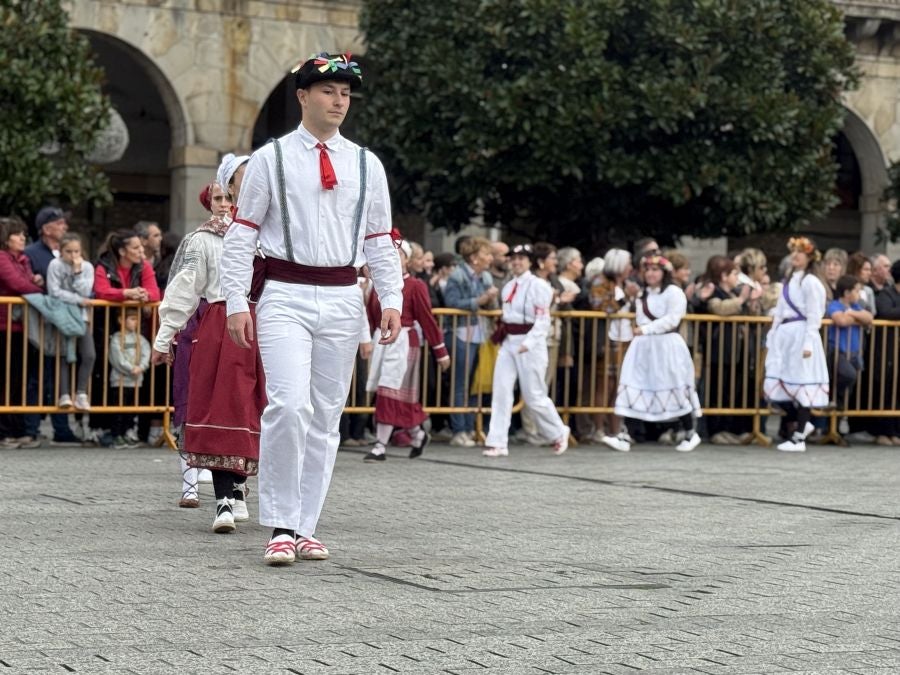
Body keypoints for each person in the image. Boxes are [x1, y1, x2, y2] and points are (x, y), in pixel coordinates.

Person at [220, 52, 403, 565]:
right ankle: (279, 524)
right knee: (288, 406)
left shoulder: (367, 164)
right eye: (328, 91)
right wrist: (237, 301)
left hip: (345, 296)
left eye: (345, 93)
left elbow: (380, 238)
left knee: (325, 415)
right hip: (285, 293)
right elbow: (242, 233)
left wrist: (390, 297)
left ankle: (305, 525)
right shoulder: (271, 159)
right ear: (303, 97)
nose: (339, 100)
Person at [152, 162, 265, 529]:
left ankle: (240, 487)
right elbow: (185, 287)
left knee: (253, 408)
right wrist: (165, 334)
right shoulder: (202, 239)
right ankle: (223, 501)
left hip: (264, 324)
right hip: (221, 325)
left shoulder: (268, 233)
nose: (226, 203)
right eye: (220, 196)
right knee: (221, 408)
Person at [604, 254, 701, 453]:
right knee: (634, 385)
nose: (650, 273)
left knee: (673, 385)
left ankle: (691, 432)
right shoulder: (643, 294)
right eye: (647, 270)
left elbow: (673, 319)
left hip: (667, 345)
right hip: (643, 347)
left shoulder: (674, 292)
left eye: (655, 270)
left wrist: (646, 329)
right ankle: (625, 434)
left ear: (664, 273)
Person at [364, 240, 450, 461]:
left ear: (407, 260)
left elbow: (427, 320)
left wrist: (440, 350)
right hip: (382, 341)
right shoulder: (377, 286)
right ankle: (417, 433)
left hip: (404, 342)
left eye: (399, 256)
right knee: (396, 394)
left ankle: (380, 445)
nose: (395, 260)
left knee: (388, 390)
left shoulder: (415, 285)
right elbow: (371, 317)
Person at [483, 244, 571, 457]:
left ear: (530, 261)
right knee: (502, 389)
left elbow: (543, 319)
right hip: (509, 340)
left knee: (534, 395)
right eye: (513, 258)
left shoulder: (539, 285)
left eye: (521, 258)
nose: (516, 262)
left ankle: (558, 431)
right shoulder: (508, 285)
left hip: (530, 342)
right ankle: (498, 441)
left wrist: (529, 343)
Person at [86, 229, 161, 446]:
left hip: (135, 328)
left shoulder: (144, 265)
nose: (141, 251)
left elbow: (154, 292)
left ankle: (126, 428)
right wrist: (127, 294)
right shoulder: (103, 265)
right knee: (103, 374)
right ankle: (99, 428)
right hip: (106, 327)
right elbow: (101, 291)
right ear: (122, 251)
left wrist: (144, 295)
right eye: (136, 248)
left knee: (131, 380)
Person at [763, 237, 829, 452]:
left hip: (801, 335)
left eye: (800, 253)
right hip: (786, 336)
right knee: (779, 383)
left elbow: (814, 316)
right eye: (794, 253)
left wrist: (809, 343)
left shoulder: (811, 282)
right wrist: (772, 335)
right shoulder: (789, 280)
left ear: (809, 257)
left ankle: (799, 437)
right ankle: (803, 424)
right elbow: (780, 311)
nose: (795, 257)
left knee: (802, 384)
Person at [443, 236, 497, 447]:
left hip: (479, 333)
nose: (490, 258)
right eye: (486, 254)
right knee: (460, 383)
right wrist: (479, 301)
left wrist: (491, 300)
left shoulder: (486, 277)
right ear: (474, 257)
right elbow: (452, 302)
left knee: (474, 384)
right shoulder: (458, 276)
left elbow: (490, 307)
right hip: (460, 332)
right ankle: (459, 430)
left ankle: (471, 428)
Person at [0, 217, 43, 448]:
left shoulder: (23, 259)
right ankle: (5, 431)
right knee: (6, 380)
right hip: (4, 326)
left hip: (21, 327)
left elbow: (28, 281)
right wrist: (38, 286)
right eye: (17, 234)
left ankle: (17, 429)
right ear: (6, 238)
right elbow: (19, 284)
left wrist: (35, 282)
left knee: (18, 380)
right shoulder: (2, 258)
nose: (22, 238)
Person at [46, 233, 95, 411]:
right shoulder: (55, 264)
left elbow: (85, 291)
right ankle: (64, 394)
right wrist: (77, 299)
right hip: (61, 315)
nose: (73, 255)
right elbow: (54, 291)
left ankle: (81, 393)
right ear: (61, 250)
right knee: (64, 354)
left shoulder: (87, 267)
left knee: (89, 354)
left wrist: (77, 271)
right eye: (69, 251)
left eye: (76, 251)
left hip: (81, 316)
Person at [825, 275, 872, 408]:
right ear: (847, 293)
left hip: (854, 353)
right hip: (838, 350)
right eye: (856, 291)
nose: (859, 294)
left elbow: (869, 317)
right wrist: (857, 318)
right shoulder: (834, 305)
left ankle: (836, 420)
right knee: (848, 375)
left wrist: (851, 313)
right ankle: (833, 399)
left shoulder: (855, 306)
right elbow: (841, 321)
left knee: (848, 391)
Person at [108, 307, 151, 448]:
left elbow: (147, 352)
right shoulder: (116, 338)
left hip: (136, 381)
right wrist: (131, 368)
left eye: (137, 319)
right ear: (121, 320)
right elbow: (117, 358)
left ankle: (127, 432)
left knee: (131, 410)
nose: (135, 322)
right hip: (119, 381)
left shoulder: (140, 338)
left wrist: (141, 367)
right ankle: (117, 435)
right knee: (118, 410)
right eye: (132, 319)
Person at [25, 206, 68, 284]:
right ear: (46, 230)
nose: (65, 227)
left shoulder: (71, 251)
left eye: (64, 223)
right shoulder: (30, 254)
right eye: (59, 223)